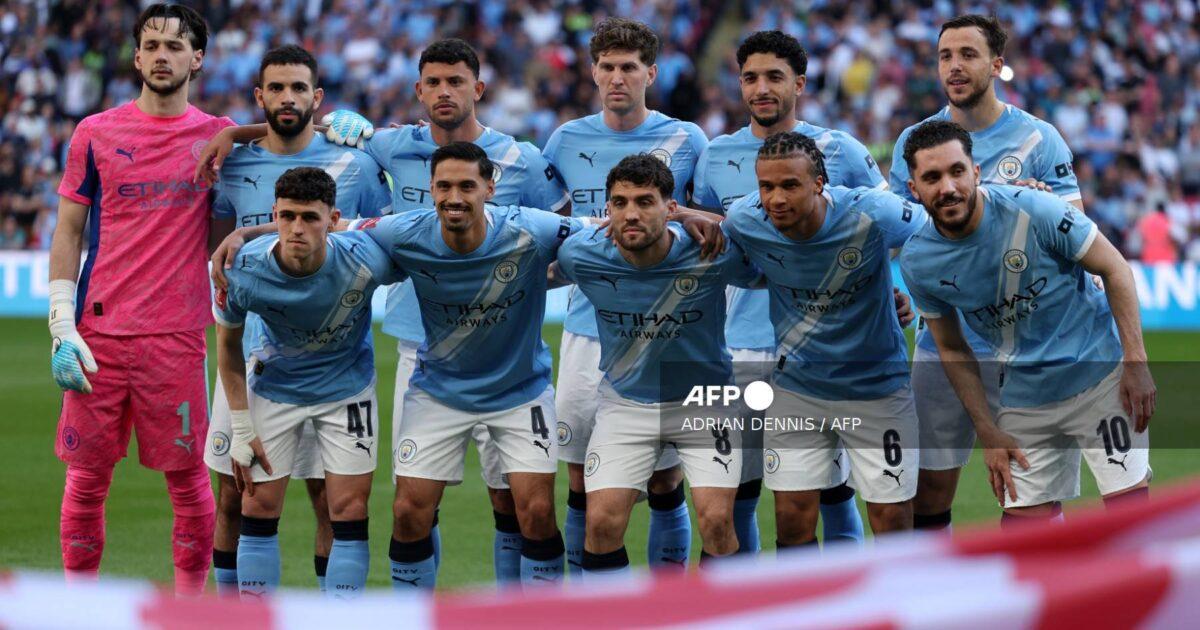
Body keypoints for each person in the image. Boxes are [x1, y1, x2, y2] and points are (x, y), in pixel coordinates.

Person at [200, 39, 564, 584]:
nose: (444, 92)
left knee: (515, 503)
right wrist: (235, 135)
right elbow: (297, 131)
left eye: (456, 82)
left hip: (507, 353)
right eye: (433, 83)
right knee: (414, 505)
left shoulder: (522, 159)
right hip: (422, 348)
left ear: (478, 89)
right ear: (418, 91)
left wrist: (510, 280)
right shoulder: (389, 147)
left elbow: (565, 244)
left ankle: (516, 614)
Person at [47, 3, 233, 595]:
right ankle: (79, 605)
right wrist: (60, 319)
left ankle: (189, 607)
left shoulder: (216, 136)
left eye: (175, 46)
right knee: (86, 479)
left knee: (187, 482)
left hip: (176, 336)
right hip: (97, 334)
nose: (161, 55)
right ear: (135, 56)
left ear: (196, 58)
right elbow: (69, 230)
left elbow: (281, 140)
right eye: (151, 44)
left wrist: (333, 125)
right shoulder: (95, 133)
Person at [898, 120, 1154, 527]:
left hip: (1100, 381)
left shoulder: (1034, 207)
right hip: (1022, 397)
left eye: (956, 171)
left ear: (976, 172)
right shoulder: (918, 261)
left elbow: (1114, 267)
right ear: (914, 189)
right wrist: (987, 429)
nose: (947, 187)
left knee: (1130, 522)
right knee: (1023, 535)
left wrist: (1135, 362)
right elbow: (951, 346)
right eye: (932, 177)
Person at [202, 44, 391, 596]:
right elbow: (219, 257)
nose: (289, 98)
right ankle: (234, 614)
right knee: (235, 498)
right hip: (255, 361)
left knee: (330, 501)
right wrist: (236, 135)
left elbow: (379, 228)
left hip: (336, 359)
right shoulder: (232, 163)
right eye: (277, 89)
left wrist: (372, 132)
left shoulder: (355, 162)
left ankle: (330, 614)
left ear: (318, 98)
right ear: (261, 98)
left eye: (299, 88)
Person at [888, 15, 1085, 533]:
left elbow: (1078, 232)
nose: (954, 66)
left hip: (1025, 348)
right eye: (945, 55)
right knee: (927, 488)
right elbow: (900, 230)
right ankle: (937, 602)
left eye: (968, 54)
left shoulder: (1039, 139)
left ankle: (1035, 598)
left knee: (1027, 490)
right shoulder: (917, 141)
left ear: (996, 65)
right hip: (944, 341)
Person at [693, 30, 886, 551]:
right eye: (751, 77)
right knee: (742, 487)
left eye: (774, 76)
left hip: (821, 350)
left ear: (798, 83)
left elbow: (885, 229)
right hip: (739, 342)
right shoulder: (715, 154)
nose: (762, 88)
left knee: (831, 488)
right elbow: (716, 235)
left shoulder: (841, 150)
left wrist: (897, 290)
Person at [542, 17, 709, 574]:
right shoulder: (565, 139)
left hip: (669, 332)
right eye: (608, 67)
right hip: (589, 331)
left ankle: (666, 601)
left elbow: (711, 223)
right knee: (576, 474)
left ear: (651, 73)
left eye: (629, 67)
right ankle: (584, 599)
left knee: (665, 477)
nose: (617, 78)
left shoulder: (688, 139)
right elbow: (546, 223)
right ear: (593, 72)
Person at [554, 154, 760, 577]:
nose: (631, 213)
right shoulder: (580, 256)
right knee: (601, 523)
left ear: (670, 209)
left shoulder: (712, 251)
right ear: (607, 209)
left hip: (706, 401)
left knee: (718, 522)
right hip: (625, 404)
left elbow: (779, 263)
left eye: (645, 202)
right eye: (620, 202)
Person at [724, 132, 928, 546]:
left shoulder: (874, 212)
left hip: (877, 389)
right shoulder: (746, 220)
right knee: (792, 519)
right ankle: (807, 611)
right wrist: (689, 216)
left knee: (891, 520)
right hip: (798, 389)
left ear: (819, 183)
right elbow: (727, 245)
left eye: (789, 185)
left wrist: (912, 300)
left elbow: (939, 232)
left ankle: (890, 609)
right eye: (766, 186)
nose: (776, 198)